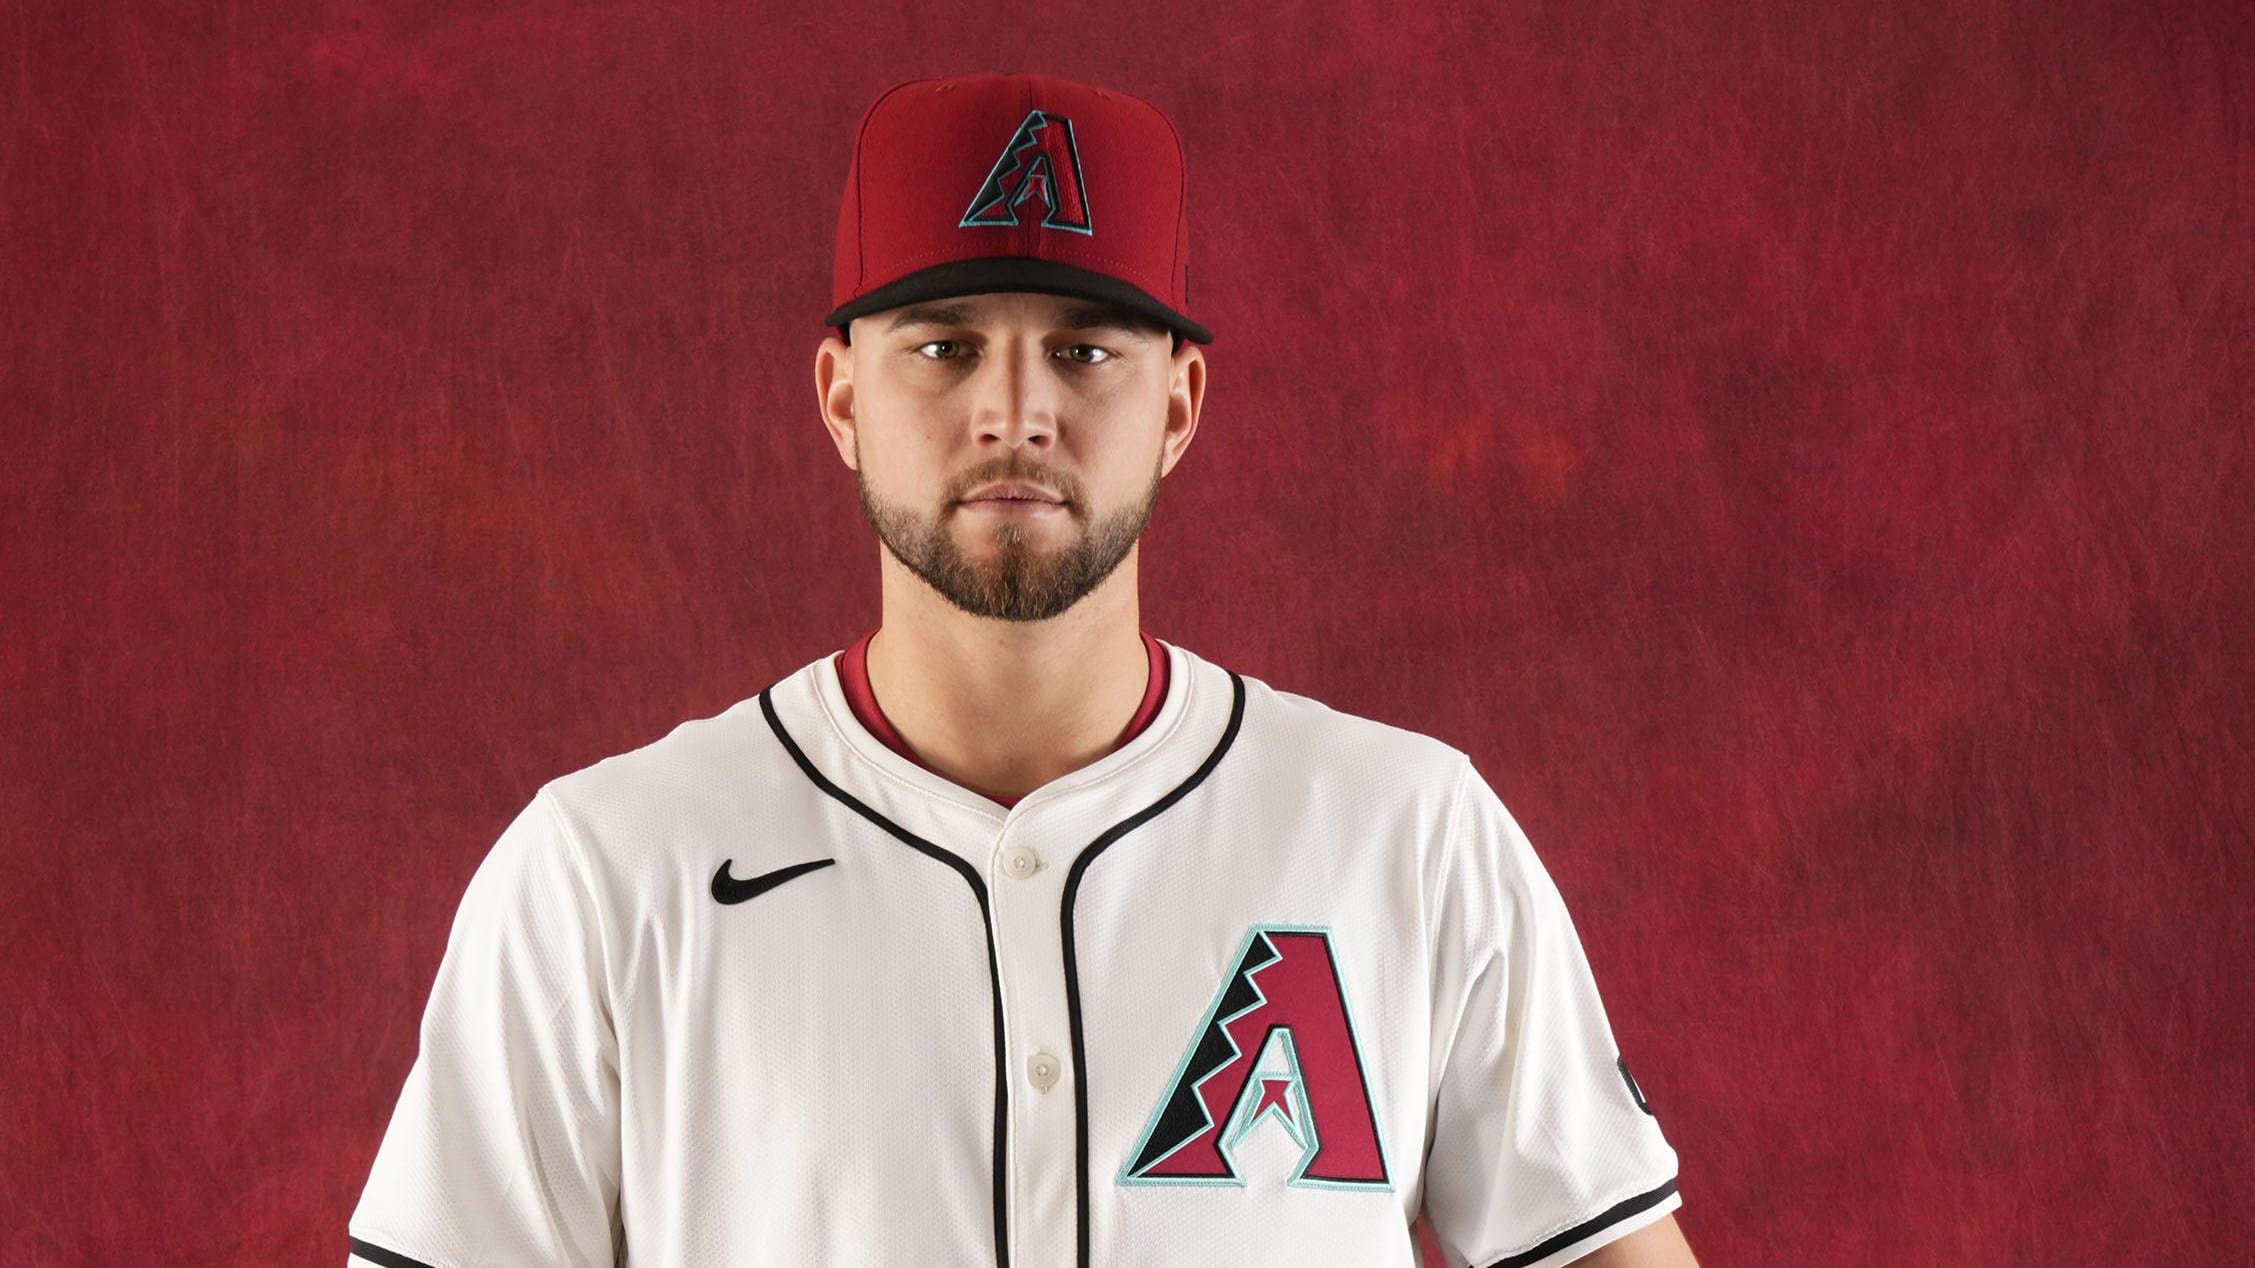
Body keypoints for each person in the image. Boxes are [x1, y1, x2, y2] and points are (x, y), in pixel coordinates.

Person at [347, 71, 1699, 1268]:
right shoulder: (607, 869)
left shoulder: (1403, 831)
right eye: (942, 347)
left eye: (1082, 348)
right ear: (840, 399)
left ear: (1177, 405)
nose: (1014, 413)